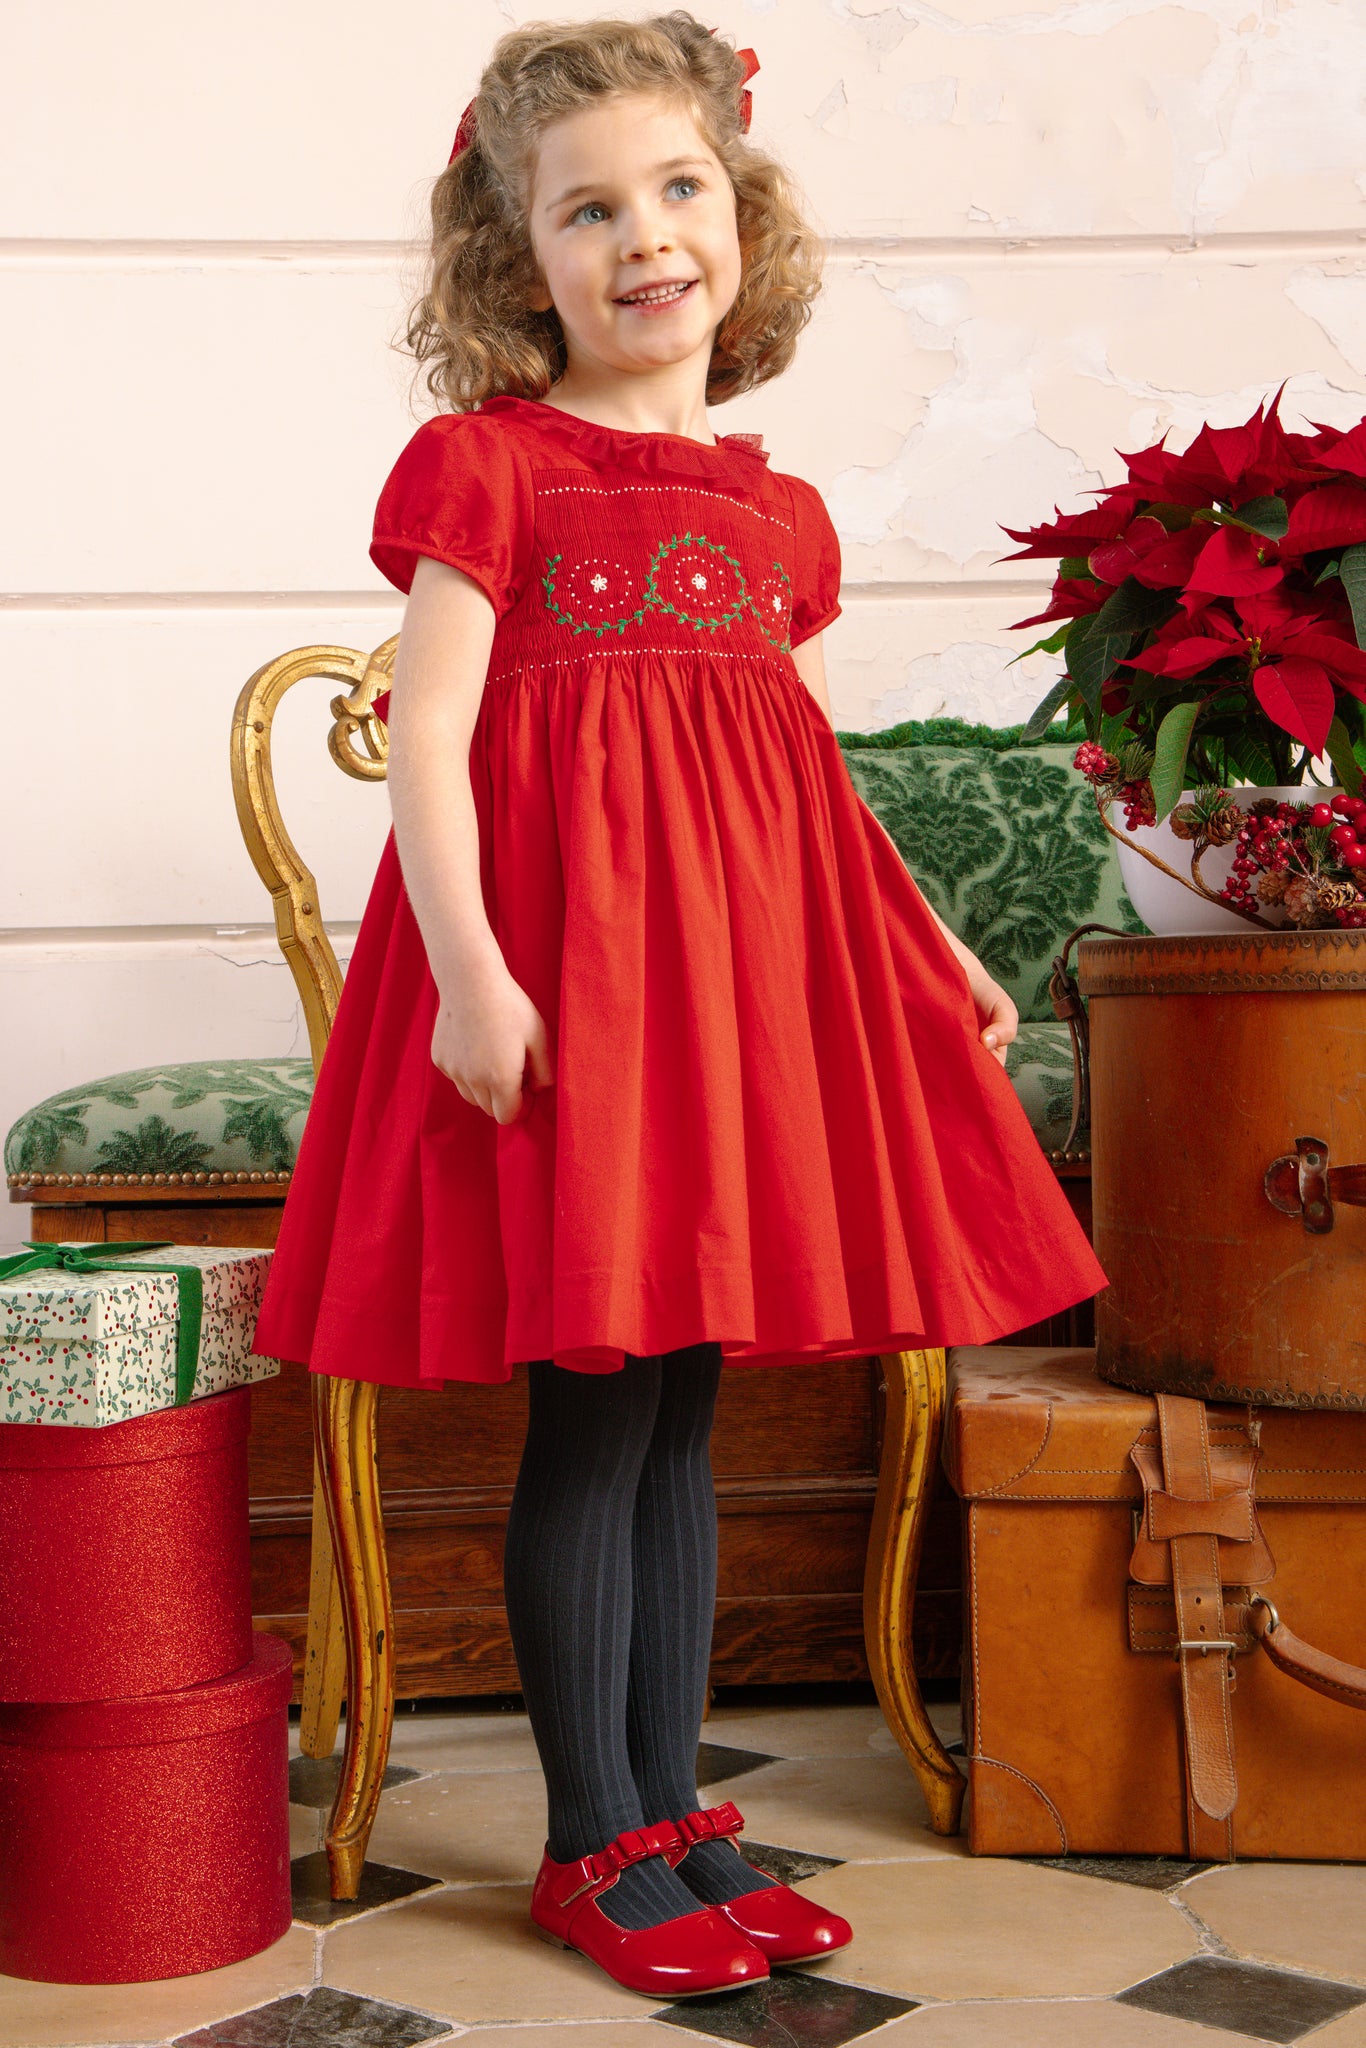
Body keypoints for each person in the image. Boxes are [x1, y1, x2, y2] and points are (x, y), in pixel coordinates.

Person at [253, 9, 1108, 2001]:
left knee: (683, 1410)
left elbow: (797, 769)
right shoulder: (487, 467)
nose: (642, 234)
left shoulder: (768, 514)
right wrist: (475, 974)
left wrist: (929, 943)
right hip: (569, 1001)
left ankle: (668, 1808)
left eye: (677, 188)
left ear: (741, 216)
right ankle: (590, 1842)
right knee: (596, 1405)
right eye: (586, 209)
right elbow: (433, 742)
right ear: (516, 257)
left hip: (721, 1013)